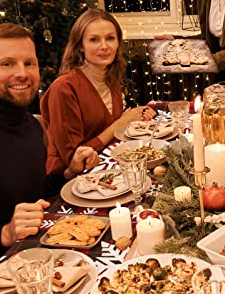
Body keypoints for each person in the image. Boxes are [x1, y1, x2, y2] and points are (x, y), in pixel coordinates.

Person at [0, 24, 99, 282]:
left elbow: (34, 194)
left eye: (29, 63)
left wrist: (69, 172)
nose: (22, 73)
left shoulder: (33, 126)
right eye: (7, 64)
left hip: (39, 262)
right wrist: (4, 233)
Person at [40, 9, 156, 174]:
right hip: (71, 181)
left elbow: (109, 129)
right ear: (80, 45)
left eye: (110, 38)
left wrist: (134, 120)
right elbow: (76, 159)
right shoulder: (64, 88)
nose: (104, 46)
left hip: (109, 166)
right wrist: (120, 124)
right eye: (94, 40)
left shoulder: (110, 78)